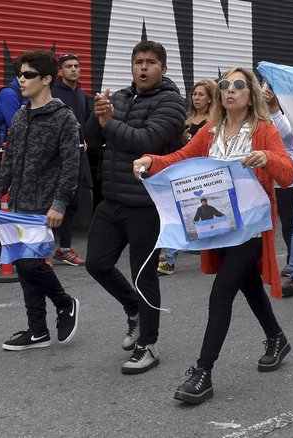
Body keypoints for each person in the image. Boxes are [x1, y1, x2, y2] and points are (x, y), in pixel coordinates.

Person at [134, 67, 293, 406]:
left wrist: (267, 158)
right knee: (248, 284)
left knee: (222, 293)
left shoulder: (263, 130)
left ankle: (203, 373)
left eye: (238, 85)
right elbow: (181, 159)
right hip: (219, 227)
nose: (230, 90)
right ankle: (277, 338)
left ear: (250, 93)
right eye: (225, 85)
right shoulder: (211, 131)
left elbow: (288, 172)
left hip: (252, 226)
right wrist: (152, 161)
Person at [84, 41, 187, 375]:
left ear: (163, 69)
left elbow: (147, 142)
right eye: (138, 62)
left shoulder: (172, 103)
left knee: (144, 276)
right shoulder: (119, 98)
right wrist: (97, 114)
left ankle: (149, 344)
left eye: (151, 62)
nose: (143, 67)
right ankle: (133, 311)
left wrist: (109, 123)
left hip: (146, 204)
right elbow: (92, 139)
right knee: (96, 264)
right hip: (112, 199)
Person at [0, 49, 80, 351]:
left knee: (28, 264)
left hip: (44, 207)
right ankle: (37, 329)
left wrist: (59, 203)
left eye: (28, 75)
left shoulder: (63, 117)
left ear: (47, 79)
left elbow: (70, 165)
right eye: (20, 74)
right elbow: (10, 161)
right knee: (24, 265)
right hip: (18, 206)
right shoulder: (20, 116)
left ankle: (65, 303)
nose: (21, 80)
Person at [159, 79, 218, 276]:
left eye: (202, 95)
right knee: (179, 214)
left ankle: (170, 256)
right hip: (182, 172)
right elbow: (177, 147)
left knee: (190, 215)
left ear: (210, 99)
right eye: (195, 94)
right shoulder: (187, 118)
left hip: (202, 175)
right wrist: (182, 140)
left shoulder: (214, 122)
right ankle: (170, 255)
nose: (197, 98)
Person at [50, 52, 90, 266]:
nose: (74, 69)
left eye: (76, 65)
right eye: (68, 66)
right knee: (52, 202)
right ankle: (41, 250)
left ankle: (64, 248)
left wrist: (85, 139)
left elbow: (86, 122)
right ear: (60, 71)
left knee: (73, 203)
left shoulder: (82, 94)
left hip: (78, 157)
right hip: (57, 159)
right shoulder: (54, 93)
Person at [262, 80, 293, 283]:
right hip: (263, 181)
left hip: (287, 182)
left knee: (289, 225)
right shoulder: (258, 116)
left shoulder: (288, 116)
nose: (265, 92)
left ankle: (292, 261)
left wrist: (275, 109)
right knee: (262, 224)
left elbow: (285, 135)